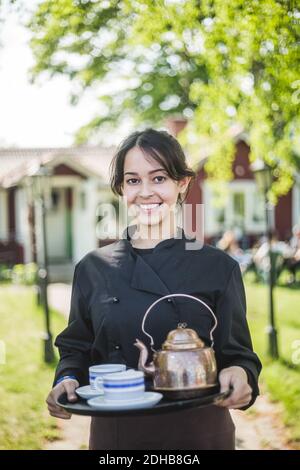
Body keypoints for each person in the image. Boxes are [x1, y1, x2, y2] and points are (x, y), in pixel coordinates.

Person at [46, 128, 261, 450]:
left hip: (200, 433)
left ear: (182, 183)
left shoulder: (217, 267)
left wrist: (242, 375)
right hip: (118, 438)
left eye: (158, 178)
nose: (146, 192)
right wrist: (67, 379)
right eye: (133, 180)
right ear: (121, 189)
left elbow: (238, 355)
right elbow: (76, 348)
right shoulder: (93, 268)